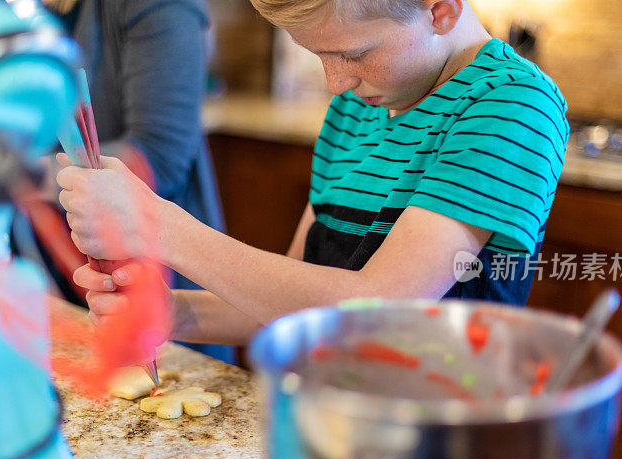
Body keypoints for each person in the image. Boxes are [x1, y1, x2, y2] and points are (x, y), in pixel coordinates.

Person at [56, 0, 568, 348]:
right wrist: (177, 313)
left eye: (354, 53)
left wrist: (157, 226)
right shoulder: (360, 106)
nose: (335, 82)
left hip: (438, 448)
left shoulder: (510, 104)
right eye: (318, 55)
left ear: (439, 8)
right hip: (330, 422)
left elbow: (379, 311)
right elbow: (296, 305)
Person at [21, 0, 231, 361]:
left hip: (163, 286)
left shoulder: (158, 6)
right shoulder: (18, 15)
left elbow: (159, 155)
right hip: (65, 283)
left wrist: (17, 175)